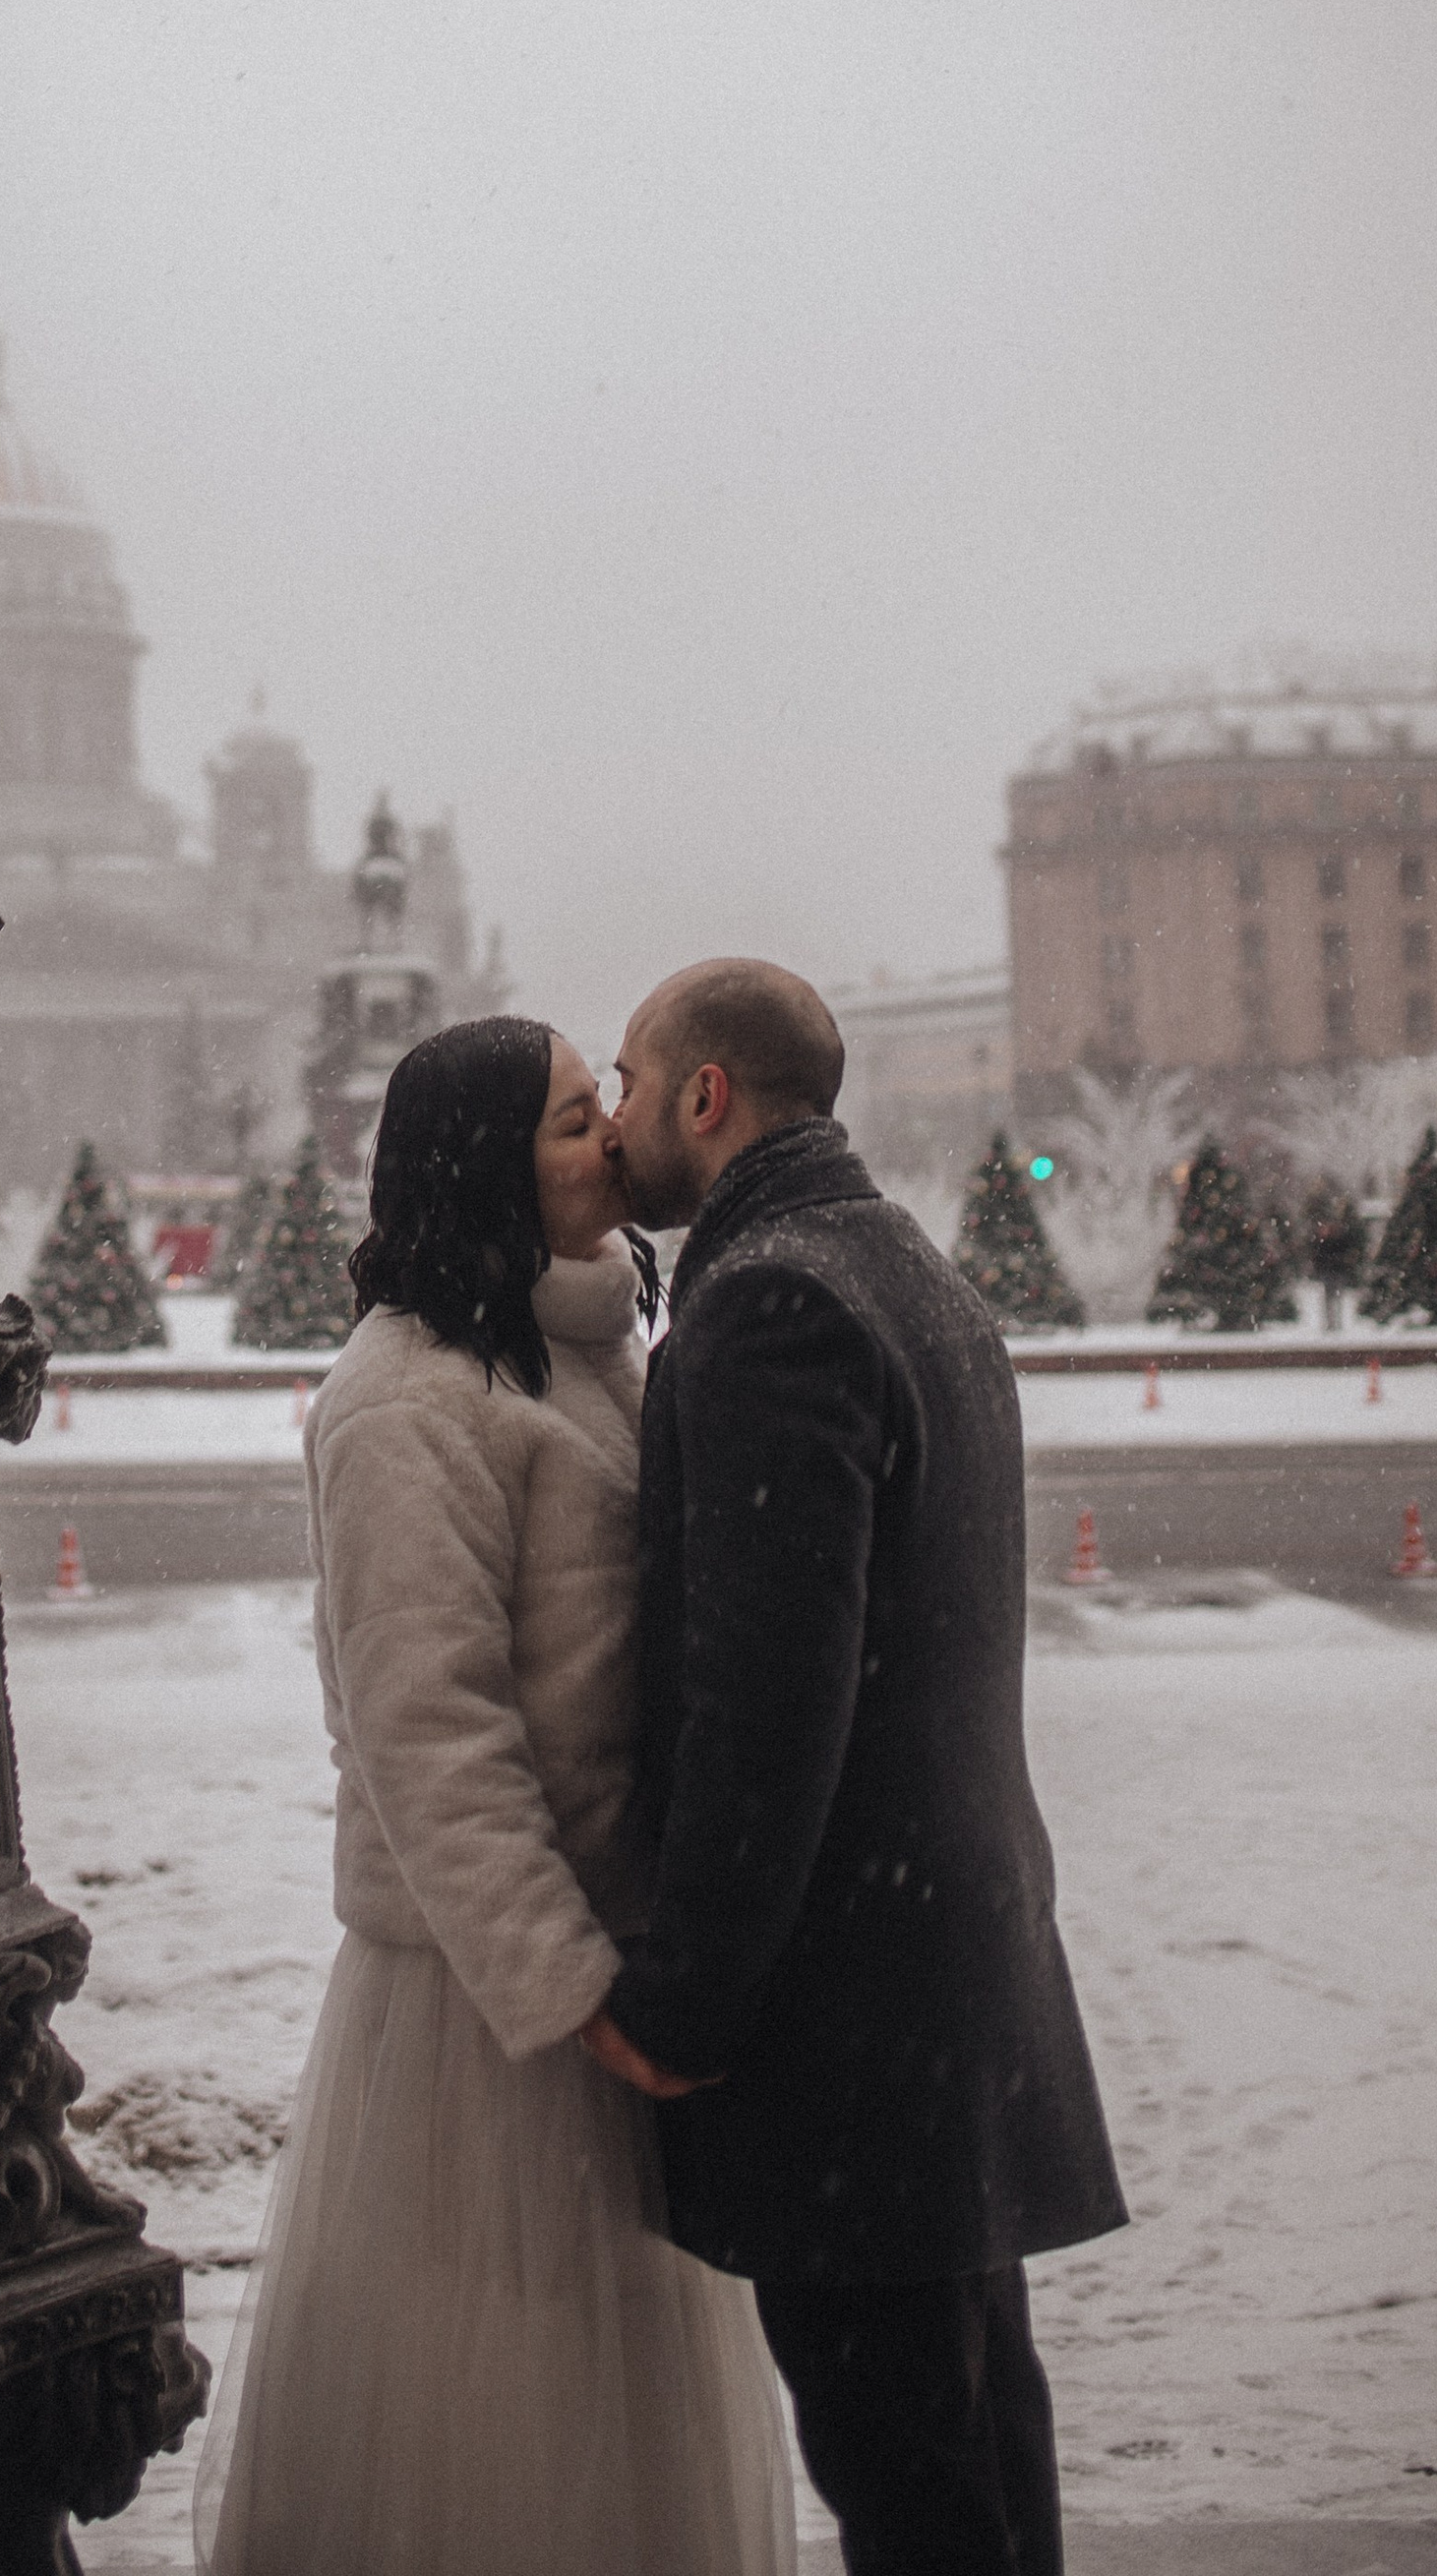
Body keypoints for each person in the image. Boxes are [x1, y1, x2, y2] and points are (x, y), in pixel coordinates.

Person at [195, 1014, 796, 2576]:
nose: (611, 1140)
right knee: (497, 2424)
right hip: (491, 2012)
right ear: (483, 1167)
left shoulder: (586, 1348)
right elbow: (429, 1737)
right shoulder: (410, 1396)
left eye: (604, 1109)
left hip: (609, 1969)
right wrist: (570, 1987)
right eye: (570, 1121)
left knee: (596, 2416)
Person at [590, 958, 1127, 2576]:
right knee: (974, 2435)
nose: (611, 1124)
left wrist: (683, 1999)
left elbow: (767, 1704)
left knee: (906, 2475)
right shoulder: (911, 1270)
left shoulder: (768, 1304)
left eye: (625, 1083)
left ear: (707, 1097)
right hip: (950, 1963)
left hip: (851, 2012)